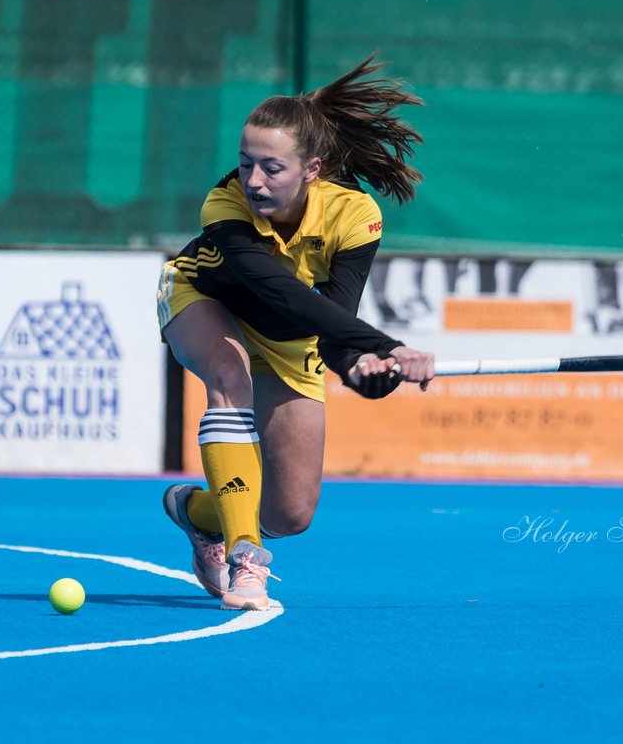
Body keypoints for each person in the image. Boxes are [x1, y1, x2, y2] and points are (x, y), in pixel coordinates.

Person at [155, 55, 436, 610]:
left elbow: (330, 323)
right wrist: (385, 345)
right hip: (205, 300)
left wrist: (363, 370)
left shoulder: (355, 216)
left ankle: (195, 511)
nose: (253, 180)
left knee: (290, 513)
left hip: (288, 340)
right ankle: (245, 560)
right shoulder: (226, 203)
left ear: (312, 168)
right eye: (245, 163)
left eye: (271, 168)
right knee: (228, 374)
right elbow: (278, 293)